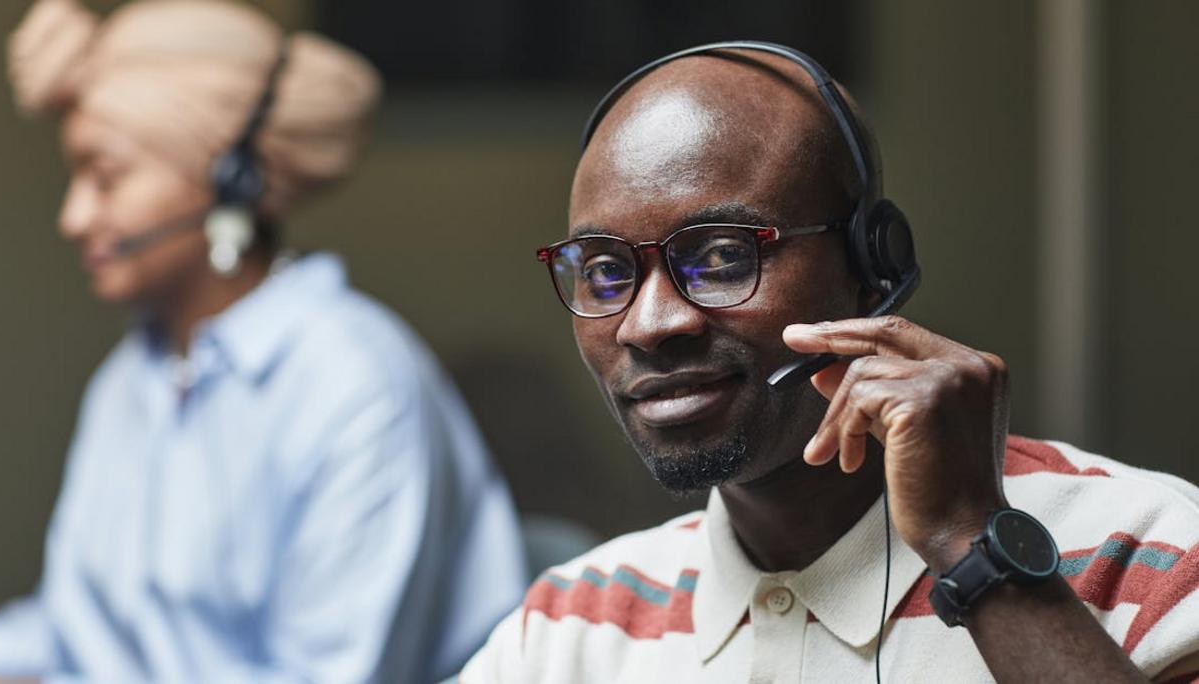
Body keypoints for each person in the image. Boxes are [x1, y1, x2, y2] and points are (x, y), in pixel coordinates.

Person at [461, 43, 1199, 682]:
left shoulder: (1148, 556)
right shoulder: (566, 632)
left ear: (872, 269)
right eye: (604, 271)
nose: (650, 325)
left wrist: (972, 546)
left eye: (721, 256)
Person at [0, 1, 526, 682]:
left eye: (105, 177)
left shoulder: (355, 384)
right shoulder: (133, 379)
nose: (73, 217)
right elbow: (89, 635)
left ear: (229, 182)